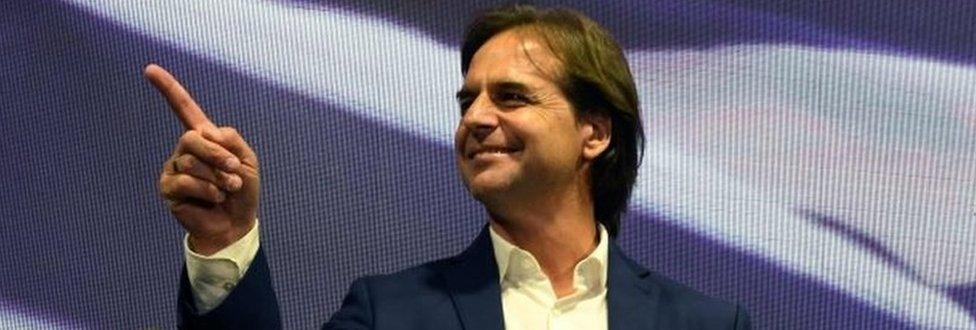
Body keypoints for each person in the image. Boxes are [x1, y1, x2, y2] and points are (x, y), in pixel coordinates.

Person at [149, 5, 750, 329]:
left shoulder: (707, 323)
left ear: (593, 133)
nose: (476, 118)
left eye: (511, 97)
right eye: (469, 101)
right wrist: (223, 238)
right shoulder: (390, 313)